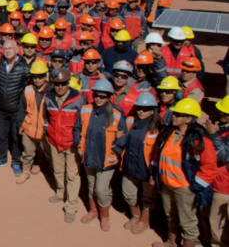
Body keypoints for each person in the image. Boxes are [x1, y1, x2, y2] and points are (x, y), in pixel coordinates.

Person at [152, 98, 218, 247]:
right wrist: (155, 176)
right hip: (166, 185)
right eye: (174, 113)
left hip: (184, 188)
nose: (174, 116)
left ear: (189, 119)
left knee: (187, 222)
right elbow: (157, 155)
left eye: (179, 114)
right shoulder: (167, 133)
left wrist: (193, 187)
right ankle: (171, 242)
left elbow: (209, 168)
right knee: (171, 216)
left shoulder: (199, 141)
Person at [74, 79, 127, 231]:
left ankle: (104, 216)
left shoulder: (116, 114)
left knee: (101, 189)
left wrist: (115, 151)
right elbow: (77, 128)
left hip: (106, 160)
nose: (98, 99)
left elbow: (122, 136)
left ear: (109, 97)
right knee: (91, 187)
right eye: (96, 95)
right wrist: (79, 146)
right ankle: (93, 211)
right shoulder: (85, 110)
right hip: (89, 156)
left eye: (102, 96)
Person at [44, 68, 86, 223]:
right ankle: (61, 192)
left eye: (63, 83)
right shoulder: (48, 97)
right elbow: (46, 117)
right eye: (57, 84)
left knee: (72, 175)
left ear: (68, 83)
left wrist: (79, 141)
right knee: (58, 170)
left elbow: (83, 122)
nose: (60, 87)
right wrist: (47, 132)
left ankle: (71, 206)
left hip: (72, 144)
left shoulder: (79, 99)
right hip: (55, 141)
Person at [121, 92, 160, 235]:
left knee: (148, 198)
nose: (141, 111)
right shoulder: (130, 121)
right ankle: (135, 215)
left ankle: (144, 220)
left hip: (146, 170)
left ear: (152, 110)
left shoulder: (157, 127)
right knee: (128, 193)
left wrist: (154, 173)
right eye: (139, 108)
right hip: (129, 165)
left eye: (145, 109)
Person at [0, 40, 29, 174]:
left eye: (10, 48)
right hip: (1, 109)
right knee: (1, 135)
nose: (7, 51)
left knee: (16, 137)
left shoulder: (24, 67)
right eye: (5, 48)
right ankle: (2, 158)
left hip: (16, 109)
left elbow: (27, 89)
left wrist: (23, 109)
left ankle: (16, 162)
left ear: (16, 50)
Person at [17, 60, 49, 184]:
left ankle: (40, 165)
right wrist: (20, 124)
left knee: (44, 151)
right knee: (27, 152)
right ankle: (25, 172)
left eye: (40, 77)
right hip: (29, 128)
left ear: (46, 77)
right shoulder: (28, 90)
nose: (37, 80)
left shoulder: (51, 92)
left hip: (43, 130)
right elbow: (22, 109)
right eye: (34, 77)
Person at [205, 95, 229, 247]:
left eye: (223, 113)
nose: (219, 114)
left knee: (218, 224)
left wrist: (213, 135)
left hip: (224, 187)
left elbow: (224, 155)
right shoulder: (223, 127)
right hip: (212, 180)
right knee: (207, 216)